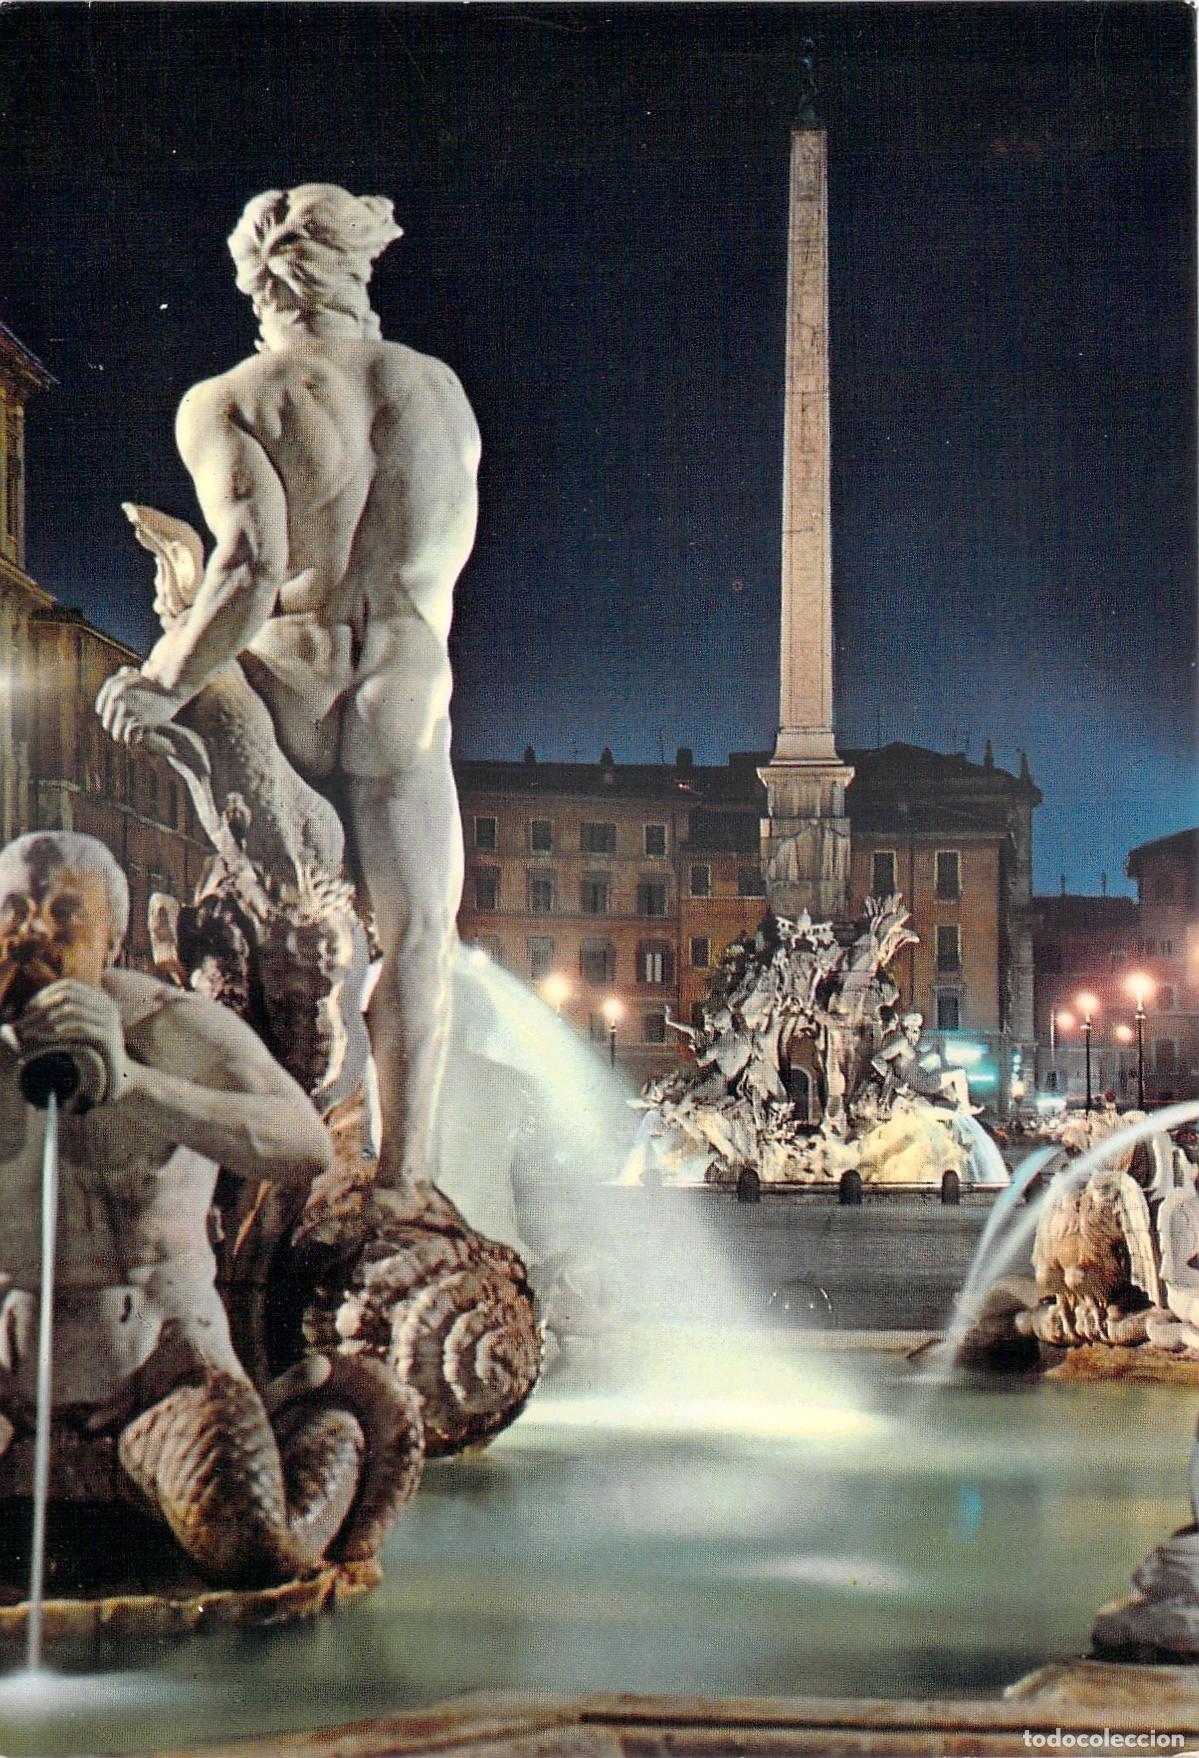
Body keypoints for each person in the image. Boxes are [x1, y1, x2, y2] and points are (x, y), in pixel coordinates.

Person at [96, 184, 481, 1222]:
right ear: (354, 269)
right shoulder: (436, 391)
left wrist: (164, 681)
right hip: (405, 683)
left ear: (259, 282)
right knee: (419, 937)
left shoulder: (232, 399)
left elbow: (249, 568)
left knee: (269, 927)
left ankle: (258, 1166)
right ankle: (402, 1179)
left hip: (290, 681)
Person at [0, 830, 346, 1583]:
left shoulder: (167, 1024)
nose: (32, 932)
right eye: (13, 909)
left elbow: (304, 1145)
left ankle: (320, 1436)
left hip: (160, 1377)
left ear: (112, 938)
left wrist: (136, 1085)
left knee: (248, 1546)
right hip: (9, 1392)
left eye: (63, 913)